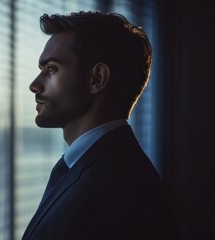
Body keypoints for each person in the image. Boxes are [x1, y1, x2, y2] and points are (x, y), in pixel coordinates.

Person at [22, 11, 168, 240]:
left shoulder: (121, 192)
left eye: (52, 68)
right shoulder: (92, 167)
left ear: (97, 79)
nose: (34, 85)